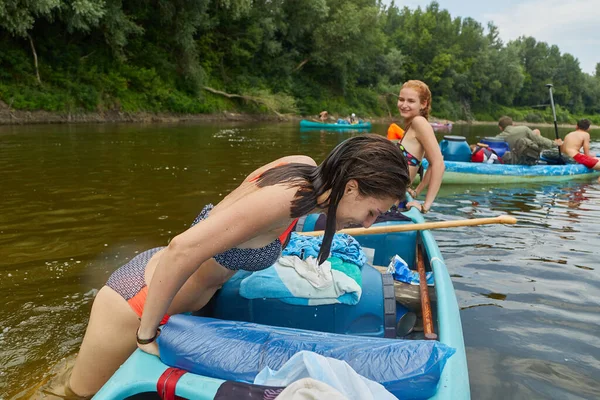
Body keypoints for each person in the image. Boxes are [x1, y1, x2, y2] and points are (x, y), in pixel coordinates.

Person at [67, 134, 411, 397]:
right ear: (351, 187)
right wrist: (146, 334)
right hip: (136, 306)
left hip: (169, 297)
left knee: (74, 377)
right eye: (372, 212)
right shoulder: (286, 200)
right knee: (72, 395)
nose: (368, 224)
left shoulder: (303, 170)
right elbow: (180, 250)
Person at [395, 80, 445, 214]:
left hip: (389, 201)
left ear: (423, 104)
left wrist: (425, 206)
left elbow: (438, 163)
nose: (404, 105)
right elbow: (431, 163)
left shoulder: (419, 122)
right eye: (401, 99)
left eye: (411, 101)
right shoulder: (412, 124)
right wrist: (416, 191)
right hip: (390, 197)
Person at [496, 116, 562, 164]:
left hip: (510, 159)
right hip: (526, 157)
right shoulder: (524, 129)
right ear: (513, 124)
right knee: (536, 132)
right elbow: (540, 140)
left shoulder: (498, 138)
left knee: (536, 132)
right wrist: (554, 143)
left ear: (500, 128)